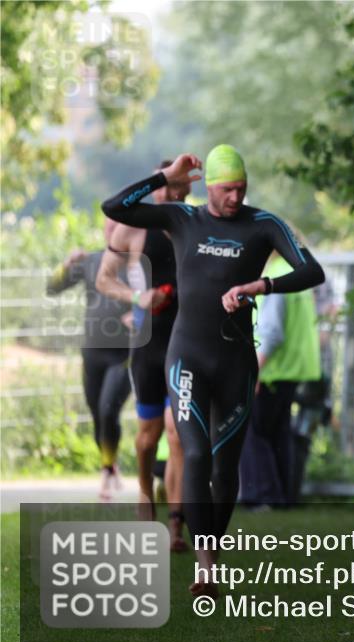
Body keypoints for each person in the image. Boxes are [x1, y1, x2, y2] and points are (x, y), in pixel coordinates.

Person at [101, 145, 325, 598]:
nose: (235, 198)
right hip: (186, 356)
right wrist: (166, 175)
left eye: (242, 189)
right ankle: (205, 568)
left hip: (236, 362)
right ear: (210, 188)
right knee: (196, 454)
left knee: (225, 470)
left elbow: (311, 271)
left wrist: (261, 286)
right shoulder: (183, 219)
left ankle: (211, 555)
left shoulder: (263, 225)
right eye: (226, 190)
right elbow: (115, 207)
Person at [96, 159, 189, 550]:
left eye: (177, 189)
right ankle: (144, 490)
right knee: (148, 438)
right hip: (149, 344)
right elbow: (104, 278)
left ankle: (175, 527)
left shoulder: (195, 224)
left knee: (178, 433)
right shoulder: (133, 227)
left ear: (187, 190)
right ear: (156, 188)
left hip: (186, 342)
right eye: (164, 187)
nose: (170, 195)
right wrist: (138, 297)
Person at [45, 222, 133, 501]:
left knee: (108, 408)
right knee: (97, 413)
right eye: (107, 226)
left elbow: (162, 297)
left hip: (125, 354)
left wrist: (143, 318)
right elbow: (52, 287)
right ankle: (110, 463)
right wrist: (66, 263)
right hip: (92, 353)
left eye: (118, 226)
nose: (111, 231)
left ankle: (107, 470)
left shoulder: (140, 264)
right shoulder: (92, 260)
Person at [238, 251, 322, 509]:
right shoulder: (295, 272)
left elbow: (271, 331)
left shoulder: (274, 275)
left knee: (254, 432)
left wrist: (255, 371)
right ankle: (282, 496)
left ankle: (262, 496)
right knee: (278, 433)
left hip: (272, 369)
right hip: (293, 368)